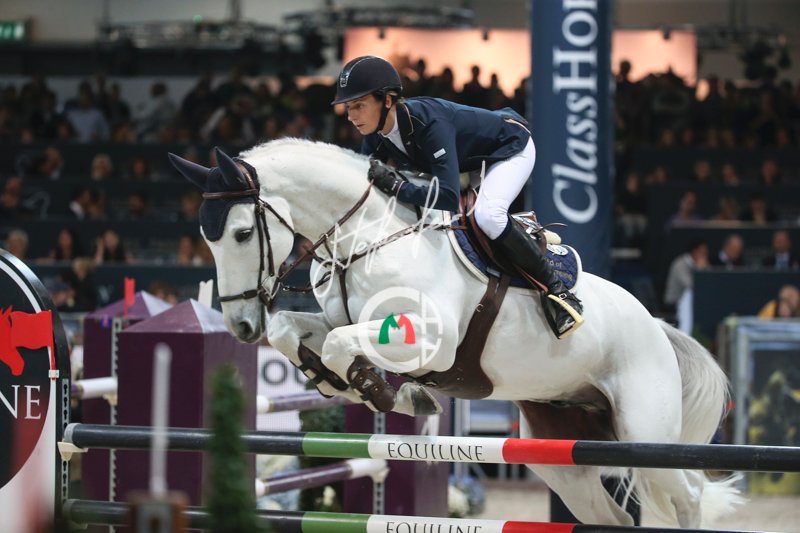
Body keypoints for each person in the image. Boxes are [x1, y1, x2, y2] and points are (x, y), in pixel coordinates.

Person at [331, 55, 583, 340]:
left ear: (387, 100)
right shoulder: (375, 134)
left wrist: (398, 188)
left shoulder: (428, 123)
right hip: (468, 161)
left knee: (488, 216)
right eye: (348, 107)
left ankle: (557, 291)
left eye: (359, 106)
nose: (351, 116)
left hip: (508, 148)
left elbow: (448, 196)